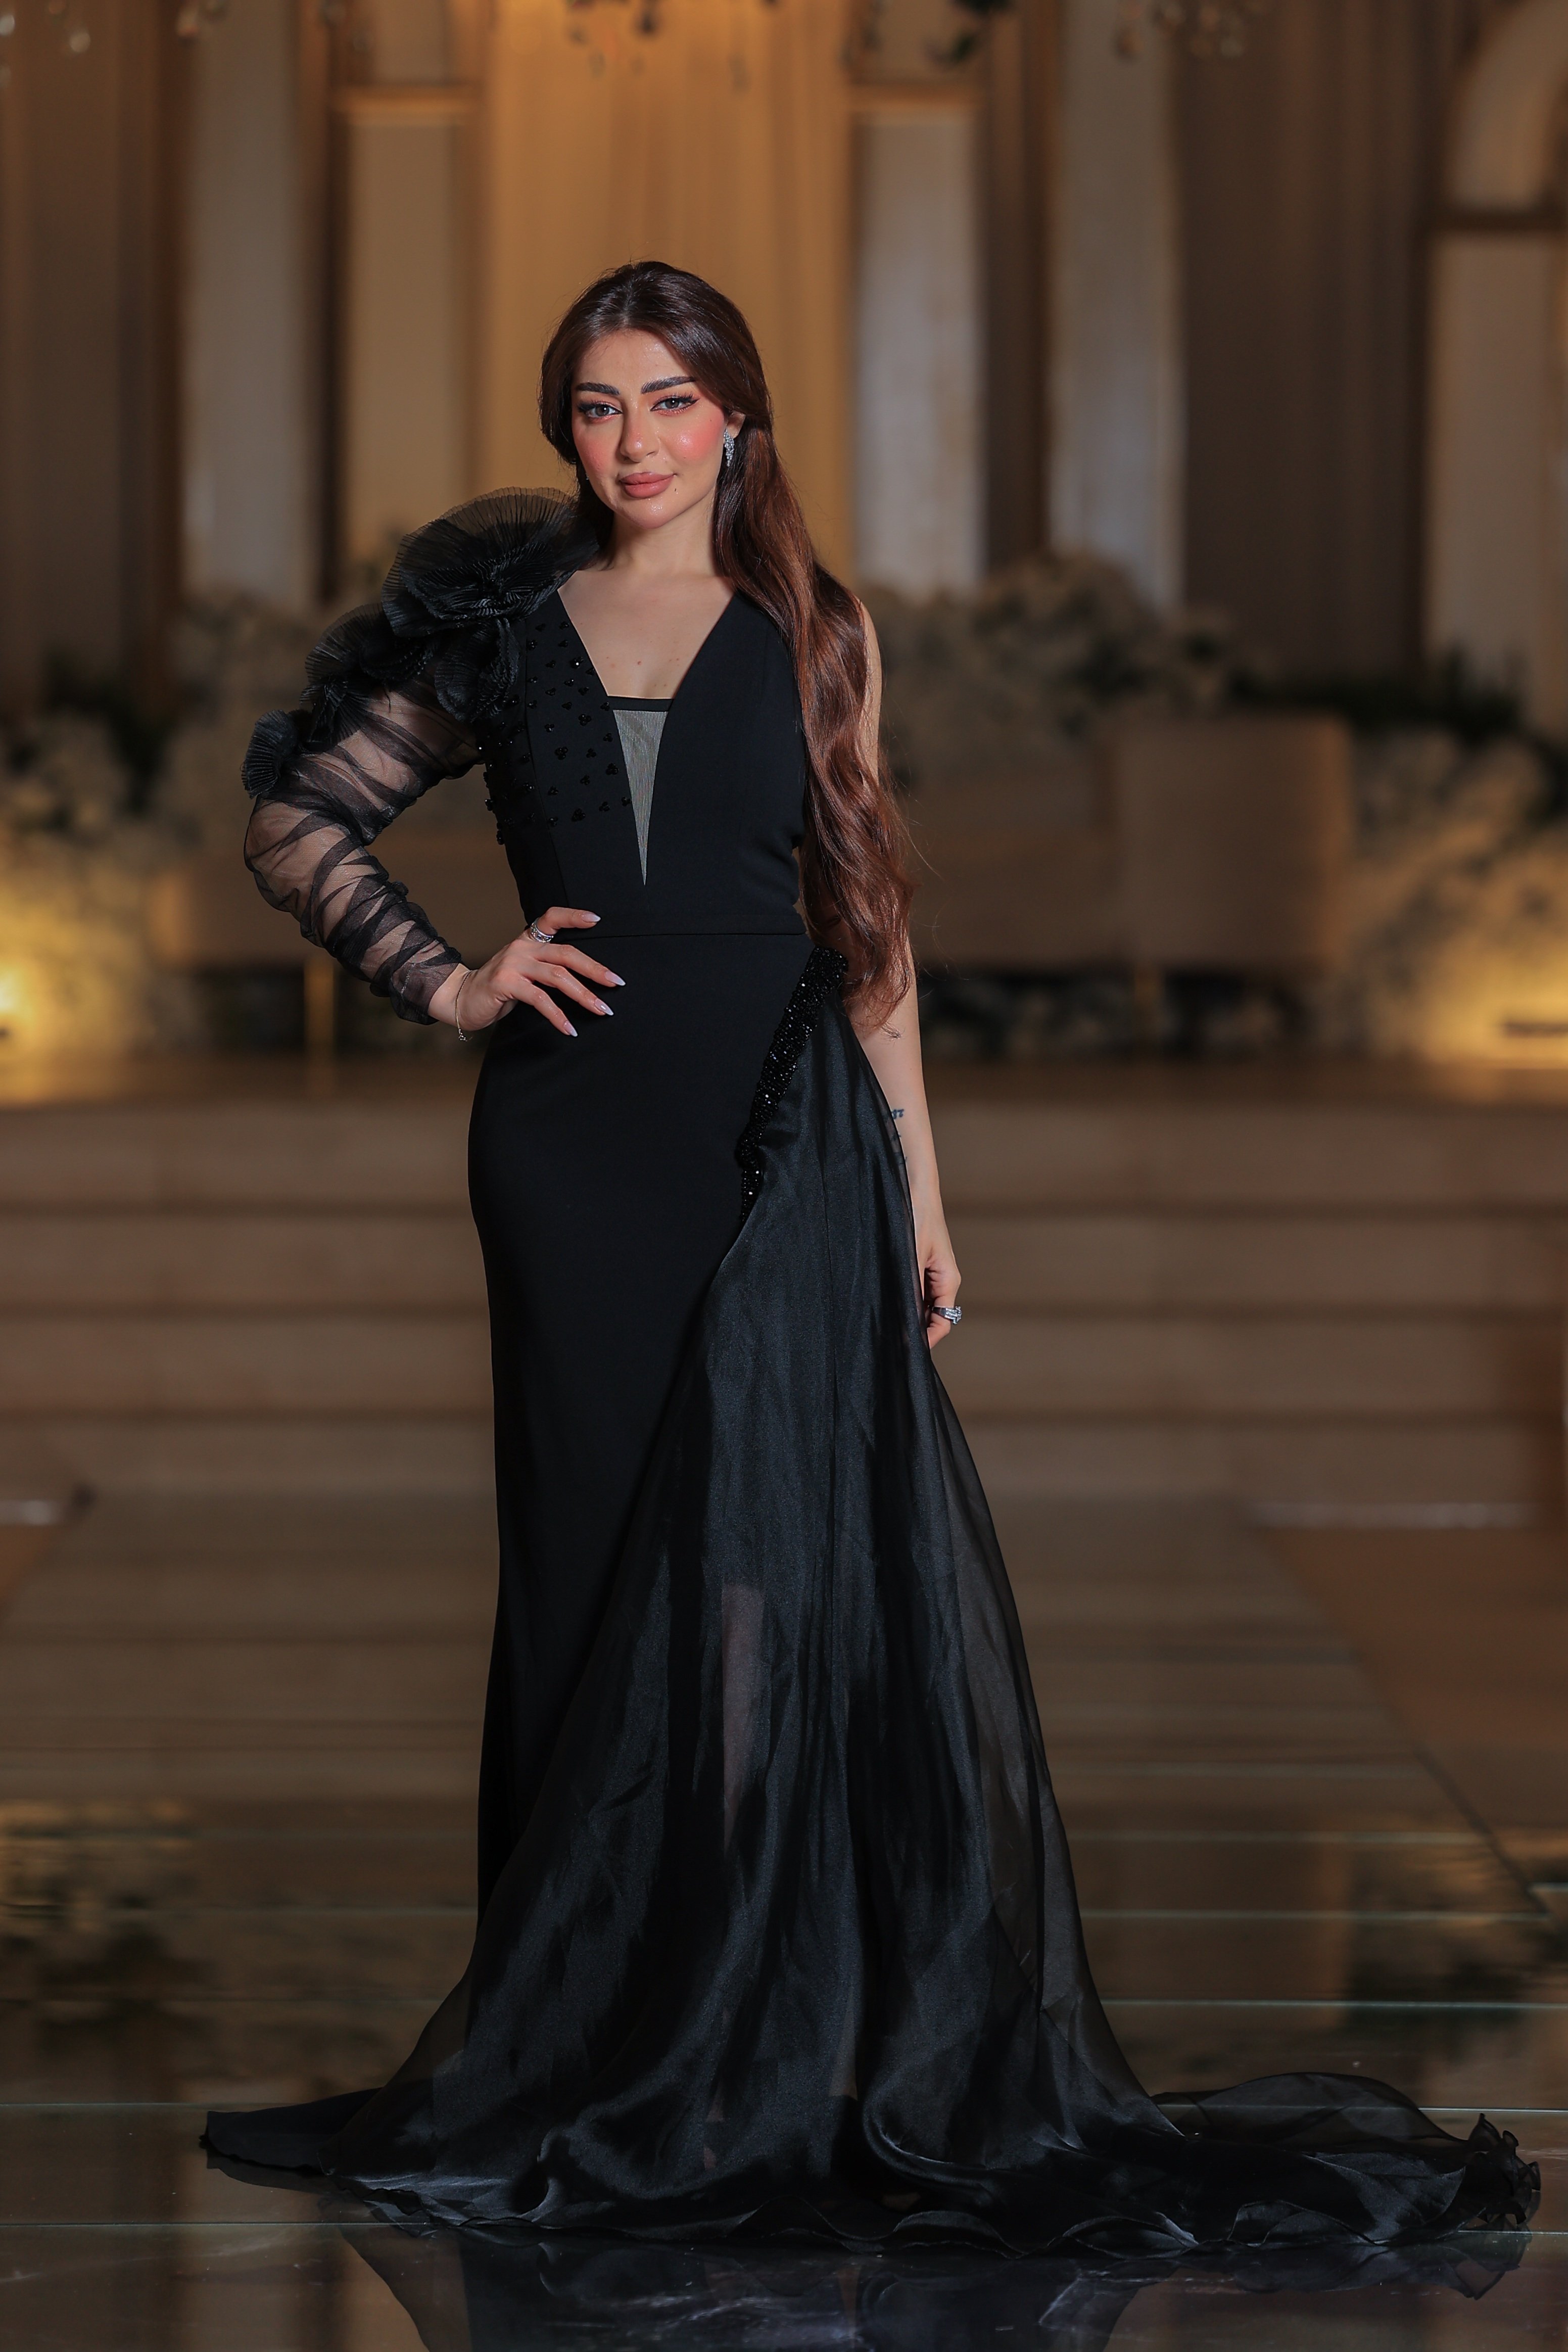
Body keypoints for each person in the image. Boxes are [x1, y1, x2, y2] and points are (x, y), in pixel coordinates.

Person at [206, 261, 1536, 2254]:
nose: (636, 441)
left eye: (671, 401)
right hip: (567, 1156)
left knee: (761, 1587)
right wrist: (454, 978)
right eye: (598, 405)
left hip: (784, 1145)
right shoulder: (499, 628)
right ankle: (584, 2036)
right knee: (582, 1574)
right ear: (564, 425)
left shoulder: (815, 633)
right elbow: (298, 818)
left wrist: (918, 1188)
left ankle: (744, 2043)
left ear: (736, 418)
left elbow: (867, 925)